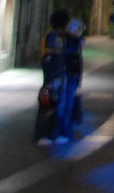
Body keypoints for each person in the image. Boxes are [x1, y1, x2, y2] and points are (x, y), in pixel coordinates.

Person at [39, 9, 79, 145]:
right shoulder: (53, 37)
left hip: (59, 75)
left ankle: (52, 134)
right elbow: (48, 59)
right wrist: (49, 80)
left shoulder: (59, 36)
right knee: (53, 105)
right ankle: (49, 134)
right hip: (55, 77)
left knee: (57, 105)